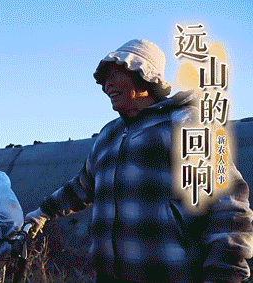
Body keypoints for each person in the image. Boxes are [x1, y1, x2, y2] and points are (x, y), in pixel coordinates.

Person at [25, 39, 253, 282]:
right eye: (104, 78)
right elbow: (82, 186)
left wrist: (226, 274)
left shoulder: (185, 124)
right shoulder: (108, 135)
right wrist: (42, 213)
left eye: (115, 74)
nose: (106, 85)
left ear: (145, 75)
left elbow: (227, 205)